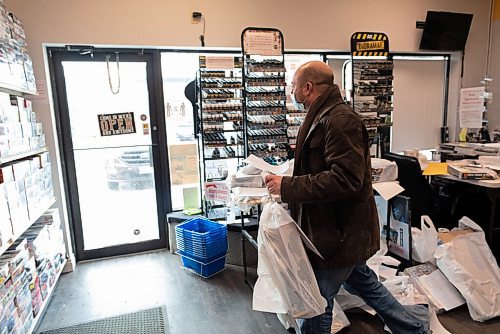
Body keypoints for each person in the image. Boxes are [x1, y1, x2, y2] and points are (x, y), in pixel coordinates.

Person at [264, 61, 430, 334]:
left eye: (293, 86)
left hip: (339, 233)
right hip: (331, 229)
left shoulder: (339, 121)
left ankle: (413, 327)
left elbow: (346, 180)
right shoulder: (321, 116)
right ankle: (413, 327)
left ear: (307, 87)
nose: (291, 92)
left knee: (317, 301)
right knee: (362, 281)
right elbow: (324, 170)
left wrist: (289, 187)